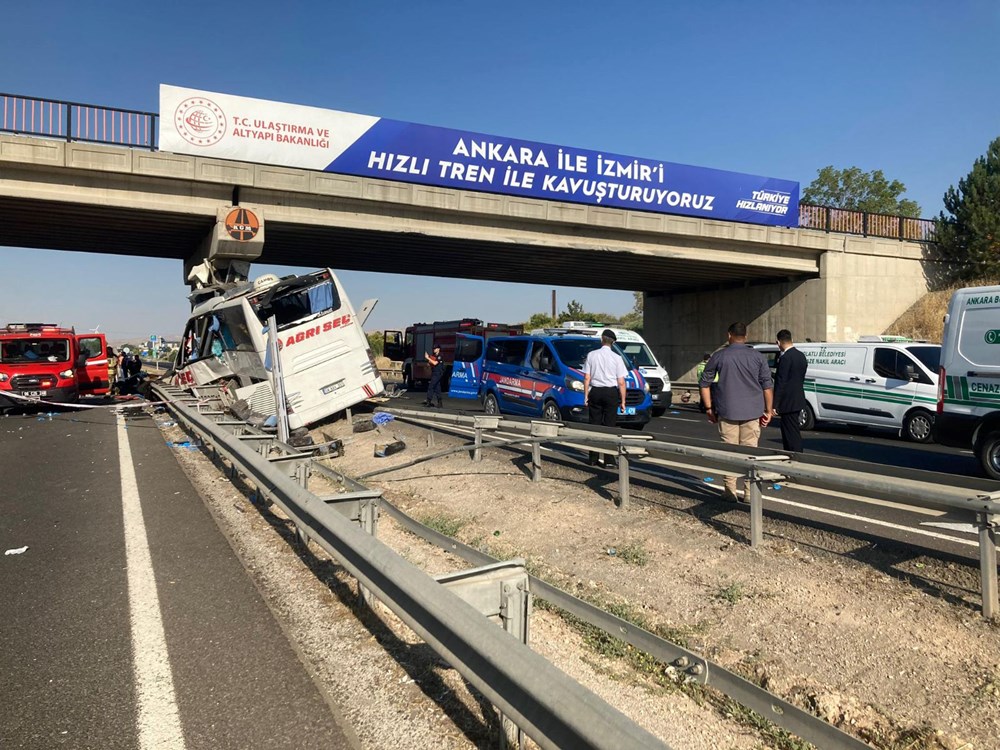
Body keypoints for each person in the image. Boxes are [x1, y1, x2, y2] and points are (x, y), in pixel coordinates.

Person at [698, 322, 774, 502]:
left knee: (729, 453)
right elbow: (767, 385)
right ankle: (749, 492)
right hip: (752, 412)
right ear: (745, 336)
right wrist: (768, 410)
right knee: (750, 453)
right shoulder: (757, 357)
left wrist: (709, 408)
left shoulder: (719, 356)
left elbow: (704, 384)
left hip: (727, 411)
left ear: (729, 335)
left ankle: (730, 491)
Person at [583, 329, 627, 467]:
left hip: (595, 391)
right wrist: (623, 401)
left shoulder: (591, 355)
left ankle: (593, 458)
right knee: (609, 426)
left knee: (594, 424)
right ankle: (609, 459)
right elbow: (621, 382)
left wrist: (586, 396)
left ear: (602, 339)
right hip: (610, 392)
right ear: (613, 342)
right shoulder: (617, 358)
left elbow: (586, 378)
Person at [773, 329, 808, 453]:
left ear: (778, 342)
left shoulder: (785, 358)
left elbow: (781, 382)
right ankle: (796, 453)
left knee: (789, 432)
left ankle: (793, 455)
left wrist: (775, 404)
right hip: (798, 398)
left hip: (787, 401)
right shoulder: (801, 356)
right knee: (794, 429)